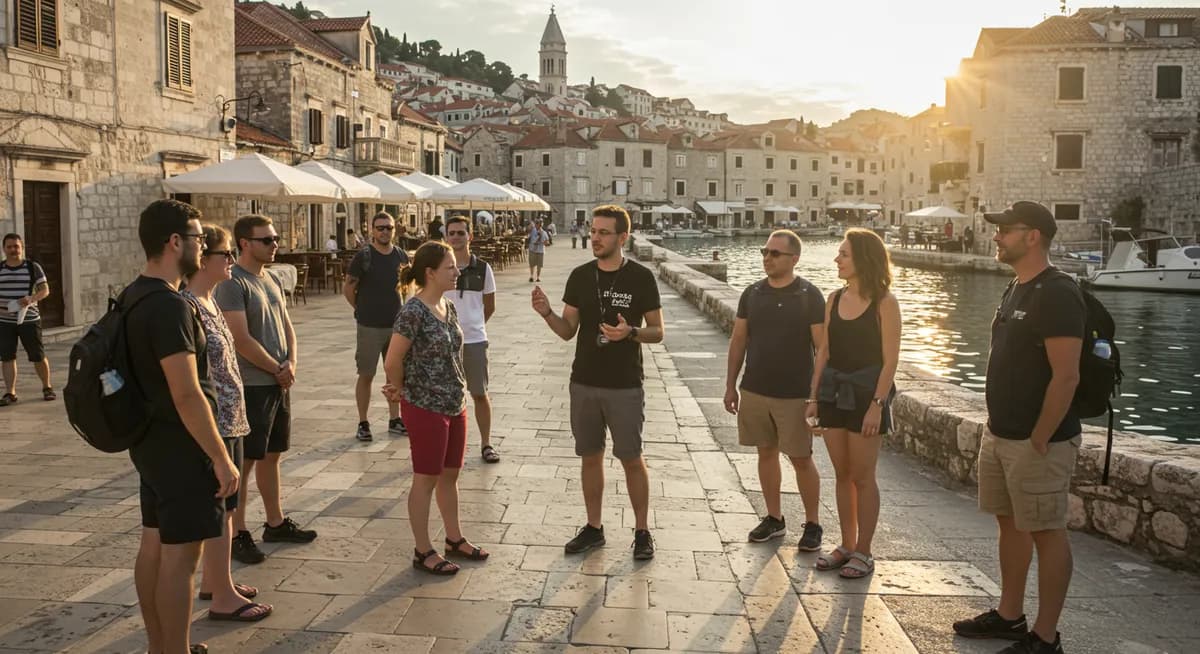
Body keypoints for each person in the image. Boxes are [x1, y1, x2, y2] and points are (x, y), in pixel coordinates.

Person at [953, 202, 1083, 654]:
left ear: (1033, 237)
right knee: (1010, 526)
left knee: (1048, 533)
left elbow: (1067, 375)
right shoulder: (1015, 287)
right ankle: (1010, 616)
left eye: (1006, 230)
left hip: (1037, 441)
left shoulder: (1058, 292)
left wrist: (1042, 437)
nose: (997, 236)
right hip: (1001, 432)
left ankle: (1045, 639)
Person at [125, 200, 240, 654]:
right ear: (175, 242)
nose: (201, 245)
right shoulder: (171, 307)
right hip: (182, 445)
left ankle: (160, 646)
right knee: (182, 557)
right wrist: (219, 455)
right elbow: (188, 392)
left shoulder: (134, 294)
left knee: (153, 545)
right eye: (196, 238)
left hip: (150, 444)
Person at [531, 204, 664, 560]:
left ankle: (642, 531)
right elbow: (567, 331)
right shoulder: (579, 276)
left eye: (603, 232)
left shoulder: (640, 277)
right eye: (593, 231)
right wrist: (546, 313)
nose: (595, 238)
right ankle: (594, 528)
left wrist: (630, 332)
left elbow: (658, 331)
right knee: (590, 457)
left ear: (623, 237)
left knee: (631, 458)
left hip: (625, 385)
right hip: (584, 382)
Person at [182, 224, 272, 624]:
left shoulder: (211, 299)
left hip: (231, 418)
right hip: (215, 424)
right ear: (204, 260)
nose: (232, 262)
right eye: (225, 255)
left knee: (225, 506)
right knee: (219, 508)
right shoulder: (189, 306)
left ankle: (216, 581)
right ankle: (222, 596)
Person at [382, 241, 489, 576]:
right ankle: (422, 549)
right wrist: (398, 390)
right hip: (425, 404)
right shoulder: (413, 311)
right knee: (425, 478)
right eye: (450, 267)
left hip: (454, 402)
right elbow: (393, 358)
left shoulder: (447, 305)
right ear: (430, 273)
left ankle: (454, 540)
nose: (457, 272)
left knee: (450, 475)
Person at [217, 214, 317, 565]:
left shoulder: (271, 278)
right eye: (267, 240)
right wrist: (276, 368)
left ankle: (275, 522)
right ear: (244, 243)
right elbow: (239, 339)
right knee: (245, 462)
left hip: (278, 381)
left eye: (275, 239)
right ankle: (238, 532)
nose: (275, 245)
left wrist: (291, 363)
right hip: (253, 384)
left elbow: (288, 326)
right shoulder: (233, 284)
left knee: (273, 454)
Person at [724, 230, 826, 551]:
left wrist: (816, 396)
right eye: (764, 252)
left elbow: (822, 349)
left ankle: (812, 523)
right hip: (754, 389)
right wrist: (730, 385)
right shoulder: (752, 294)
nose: (767, 258)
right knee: (765, 453)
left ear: (794, 259)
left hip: (795, 394)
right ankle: (774, 518)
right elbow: (739, 340)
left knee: (800, 458)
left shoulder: (810, 296)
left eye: (775, 253)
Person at [811, 228, 901, 580]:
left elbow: (890, 361)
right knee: (842, 474)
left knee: (864, 477)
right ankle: (847, 544)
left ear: (863, 258)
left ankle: (864, 550)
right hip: (833, 392)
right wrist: (813, 398)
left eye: (843, 254)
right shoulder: (833, 299)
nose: (837, 259)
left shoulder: (885, 303)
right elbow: (824, 352)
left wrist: (877, 405)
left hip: (867, 396)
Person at [344, 212, 411, 442]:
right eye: (380, 228)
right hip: (369, 326)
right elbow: (348, 288)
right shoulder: (363, 256)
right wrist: (360, 309)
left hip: (396, 327)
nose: (384, 232)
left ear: (395, 230)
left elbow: (407, 287)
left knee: (394, 376)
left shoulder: (401, 256)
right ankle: (363, 422)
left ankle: (395, 419)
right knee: (366, 374)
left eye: (388, 228)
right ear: (372, 230)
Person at [443, 216, 500, 463]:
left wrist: (472, 326)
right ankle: (445, 445)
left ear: (470, 236)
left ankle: (486, 444)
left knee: (479, 392)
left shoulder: (483, 268)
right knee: (445, 395)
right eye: (452, 233)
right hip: (444, 341)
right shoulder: (439, 268)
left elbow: (490, 306)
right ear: (446, 237)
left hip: (475, 340)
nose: (456, 237)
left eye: (460, 233)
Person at [0, 233, 53, 407]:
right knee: (7, 357)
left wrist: (31, 299)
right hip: (5, 321)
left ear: (22, 248)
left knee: (38, 355)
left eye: (16, 246)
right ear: (4, 249)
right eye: (9, 246)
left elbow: (45, 290)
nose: (13, 250)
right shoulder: (0, 268)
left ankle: (47, 387)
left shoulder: (32, 267)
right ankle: (10, 392)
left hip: (29, 319)